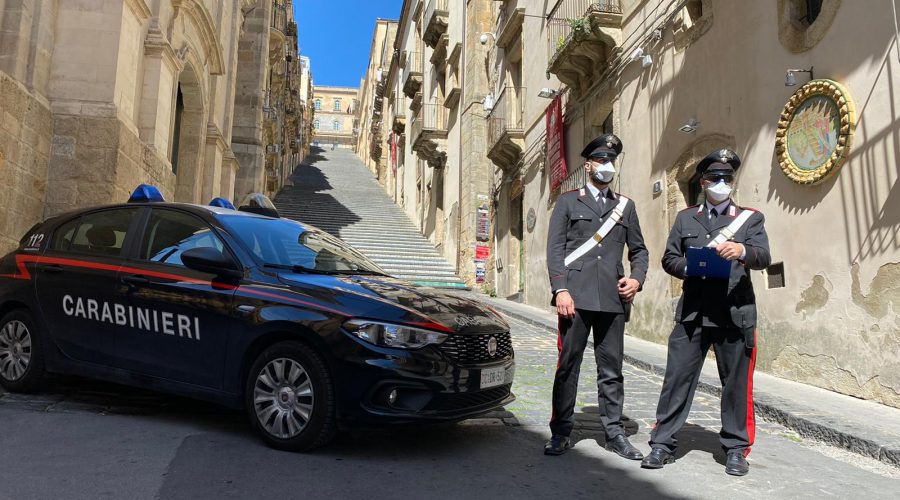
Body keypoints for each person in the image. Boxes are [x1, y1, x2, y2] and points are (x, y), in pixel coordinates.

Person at [641, 148, 771, 476]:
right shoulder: (686, 218)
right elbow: (669, 258)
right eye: (715, 178)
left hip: (734, 312)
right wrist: (691, 266)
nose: (722, 183)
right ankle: (662, 443)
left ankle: (736, 449)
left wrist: (742, 250)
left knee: (736, 384)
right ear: (703, 181)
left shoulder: (750, 218)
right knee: (677, 379)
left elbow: (763, 256)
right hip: (693, 313)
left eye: (727, 178)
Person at [544, 133, 649, 460]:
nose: (607, 166)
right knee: (568, 366)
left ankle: (614, 432)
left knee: (612, 369)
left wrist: (636, 280)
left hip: (612, 299)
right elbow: (555, 250)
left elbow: (640, 251)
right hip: (574, 298)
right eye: (601, 160)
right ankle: (561, 431)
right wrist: (560, 288)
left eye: (611, 161)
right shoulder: (567, 202)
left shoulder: (625, 206)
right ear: (588, 165)